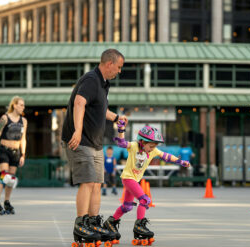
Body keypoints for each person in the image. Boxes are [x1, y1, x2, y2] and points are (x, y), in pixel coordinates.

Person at [62, 49, 127, 245]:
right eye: (119, 67)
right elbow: (79, 103)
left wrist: (116, 117)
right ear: (109, 64)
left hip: (95, 142)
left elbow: (99, 108)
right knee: (88, 181)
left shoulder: (103, 84)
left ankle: (92, 222)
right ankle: (80, 224)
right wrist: (78, 130)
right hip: (80, 140)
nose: (119, 71)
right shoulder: (91, 79)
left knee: (98, 183)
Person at [103, 122, 190, 244]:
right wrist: (121, 130)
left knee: (127, 206)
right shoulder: (133, 146)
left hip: (134, 179)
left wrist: (180, 162)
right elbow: (122, 143)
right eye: (151, 146)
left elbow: (166, 156)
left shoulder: (153, 151)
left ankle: (109, 223)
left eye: (154, 147)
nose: (152, 149)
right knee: (144, 200)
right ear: (142, 142)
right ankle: (139, 226)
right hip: (128, 178)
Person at [0, 96, 27, 215]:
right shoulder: (5, 118)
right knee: (4, 175)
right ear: (14, 105)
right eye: (21, 105)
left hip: (16, 152)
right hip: (4, 150)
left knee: (11, 179)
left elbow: (23, 139)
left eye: (23, 105)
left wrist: (23, 155)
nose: (23, 107)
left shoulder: (24, 121)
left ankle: (6, 201)